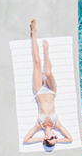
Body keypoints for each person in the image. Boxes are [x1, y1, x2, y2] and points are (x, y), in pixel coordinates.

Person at [23, 19, 73, 147]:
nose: (55, 135)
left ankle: (33, 32)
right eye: (55, 137)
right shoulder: (57, 123)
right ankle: (47, 52)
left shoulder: (38, 125)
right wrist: (57, 141)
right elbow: (69, 139)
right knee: (48, 73)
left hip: (39, 91)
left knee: (37, 61)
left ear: (46, 138)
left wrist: (41, 139)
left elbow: (26, 140)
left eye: (52, 138)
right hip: (51, 91)